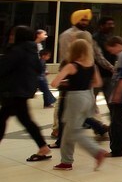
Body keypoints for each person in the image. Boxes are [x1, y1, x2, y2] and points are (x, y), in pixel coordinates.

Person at [50, 39, 107, 171]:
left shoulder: (72, 66)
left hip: (75, 99)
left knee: (73, 131)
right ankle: (66, 161)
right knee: (68, 131)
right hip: (88, 96)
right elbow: (98, 83)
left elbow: (54, 83)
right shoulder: (92, 65)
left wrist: (67, 83)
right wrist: (83, 83)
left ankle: (97, 152)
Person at [0, 26, 52, 162]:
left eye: (13, 34)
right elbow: (38, 68)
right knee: (22, 119)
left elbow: (3, 68)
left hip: (13, 90)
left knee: (12, 119)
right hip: (22, 90)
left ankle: (43, 147)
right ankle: (43, 146)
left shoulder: (17, 50)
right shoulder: (32, 50)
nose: (11, 37)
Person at [92, 17, 117, 101]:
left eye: (112, 24)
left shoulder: (110, 37)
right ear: (101, 26)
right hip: (97, 74)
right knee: (91, 100)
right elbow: (99, 57)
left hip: (109, 75)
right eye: (109, 24)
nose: (112, 26)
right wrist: (112, 68)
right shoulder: (95, 38)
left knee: (111, 100)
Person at [35, 29, 56, 108]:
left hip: (40, 76)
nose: (46, 36)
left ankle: (48, 102)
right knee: (45, 89)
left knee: (45, 89)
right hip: (40, 76)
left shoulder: (39, 46)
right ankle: (49, 101)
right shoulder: (35, 46)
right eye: (44, 34)